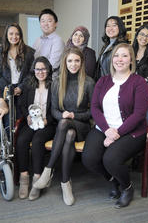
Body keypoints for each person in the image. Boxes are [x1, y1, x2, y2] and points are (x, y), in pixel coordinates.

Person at [82, 43, 148, 209]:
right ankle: (114, 181)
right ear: (112, 60)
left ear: (131, 60)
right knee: (89, 159)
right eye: (116, 56)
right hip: (104, 128)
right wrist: (106, 130)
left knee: (110, 159)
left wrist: (116, 134)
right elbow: (95, 108)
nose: (120, 59)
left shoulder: (139, 83)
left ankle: (127, 188)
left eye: (124, 55)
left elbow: (139, 114)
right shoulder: (103, 81)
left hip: (131, 131)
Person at [34, 47, 95, 206]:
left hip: (82, 125)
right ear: (64, 62)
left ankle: (48, 170)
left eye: (76, 60)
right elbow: (54, 110)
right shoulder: (57, 82)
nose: (73, 64)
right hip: (65, 127)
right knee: (68, 134)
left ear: (81, 62)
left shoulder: (89, 82)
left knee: (65, 124)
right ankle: (65, 182)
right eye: (70, 60)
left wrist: (74, 116)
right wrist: (63, 116)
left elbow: (93, 113)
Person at [16, 56, 56, 201]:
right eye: (38, 69)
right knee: (21, 141)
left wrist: (47, 120)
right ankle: (24, 177)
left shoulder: (54, 85)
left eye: (44, 69)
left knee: (38, 141)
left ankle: (37, 180)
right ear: (34, 70)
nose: (41, 72)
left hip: (48, 123)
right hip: (31, 122)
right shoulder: (29, 85)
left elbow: (57, 109)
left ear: (48, 69)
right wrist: (27, 115)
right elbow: (21, 104)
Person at [0, 23, 35, 119]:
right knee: (7, 120)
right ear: (6, 35)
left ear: (21, 35)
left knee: (21, 121)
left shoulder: (29, 52)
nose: (14, 37)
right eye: (11, 34)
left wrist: (21, 88)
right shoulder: (1, 52)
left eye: (17, 34)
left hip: (23, 90)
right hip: (5, 91)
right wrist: (3, 94)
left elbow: (31, 74)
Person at [33, 8, 65, 76]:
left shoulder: (58, 41)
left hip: (51, 80)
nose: (45, 24)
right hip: (37, 79)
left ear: (56, 24)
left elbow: (53, 65)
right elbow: (33, 60)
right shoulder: (37, 40)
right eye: (43, 21)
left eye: (49, 21)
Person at [95, 16, 127, 80]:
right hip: (103, 82)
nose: (110, 28)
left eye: (114, 25)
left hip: (113, 83)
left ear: (120, 28)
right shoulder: (106, 46)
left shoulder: (122, 47)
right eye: (108, 26)